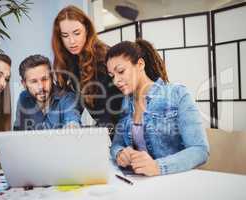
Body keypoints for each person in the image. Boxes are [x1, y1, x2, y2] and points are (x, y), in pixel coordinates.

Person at [106, 39, 209, 176]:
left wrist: (157, 166)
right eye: (112, 76)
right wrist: (120, 153)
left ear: (140, 64)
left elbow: (200, 150)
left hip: (175, 181)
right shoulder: (126, 103)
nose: (116, 81)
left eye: (121, 71)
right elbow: (116, 144)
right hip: (141, 183)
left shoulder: (177, 94)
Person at [51, 5, 122, 132]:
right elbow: (72, 100)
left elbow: (113, 108)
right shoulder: (70, 60)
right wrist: (72, 121)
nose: (72, 41)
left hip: (121, 126)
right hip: (105, 127)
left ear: (87, 30)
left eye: (77, 33)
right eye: (65, 35)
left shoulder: (104, 57)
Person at [13, 54, 81, 130]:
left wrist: (72, 125)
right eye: (34, 81)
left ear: (52, 78)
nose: (41, 87)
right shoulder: (23, 98)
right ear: (24, 84)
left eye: (44, 79)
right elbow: (17, 131)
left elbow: (72, 120)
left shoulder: (67, 97)